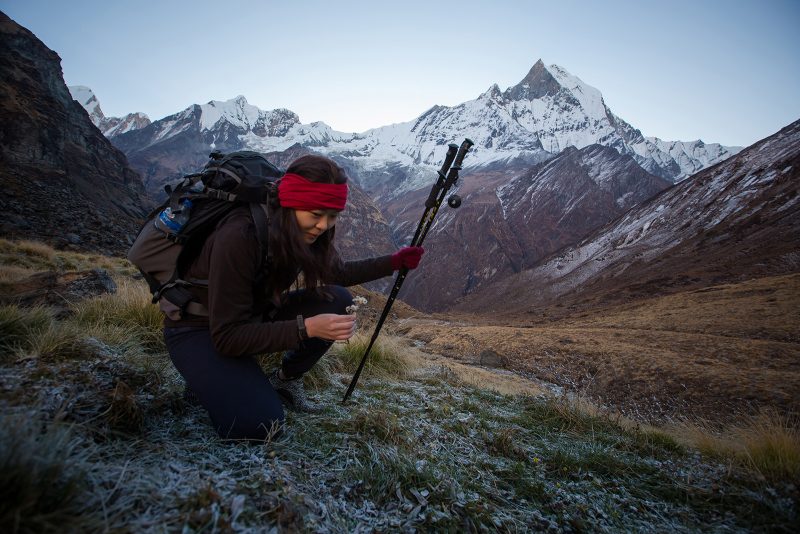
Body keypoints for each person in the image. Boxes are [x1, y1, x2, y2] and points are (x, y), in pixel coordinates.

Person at [163, 154, 424, 441]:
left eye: (332, 215)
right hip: (199, 328)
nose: (324, 225)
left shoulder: (302, 231)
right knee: (260, 426)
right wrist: (307, 328)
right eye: (316, 214)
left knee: (336, 299)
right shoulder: (240, 235)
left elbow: (337, 274)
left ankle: (284, 382)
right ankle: (206, 377)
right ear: (291, 204)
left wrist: (395, 261)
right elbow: (227, 336)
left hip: (254, 314)